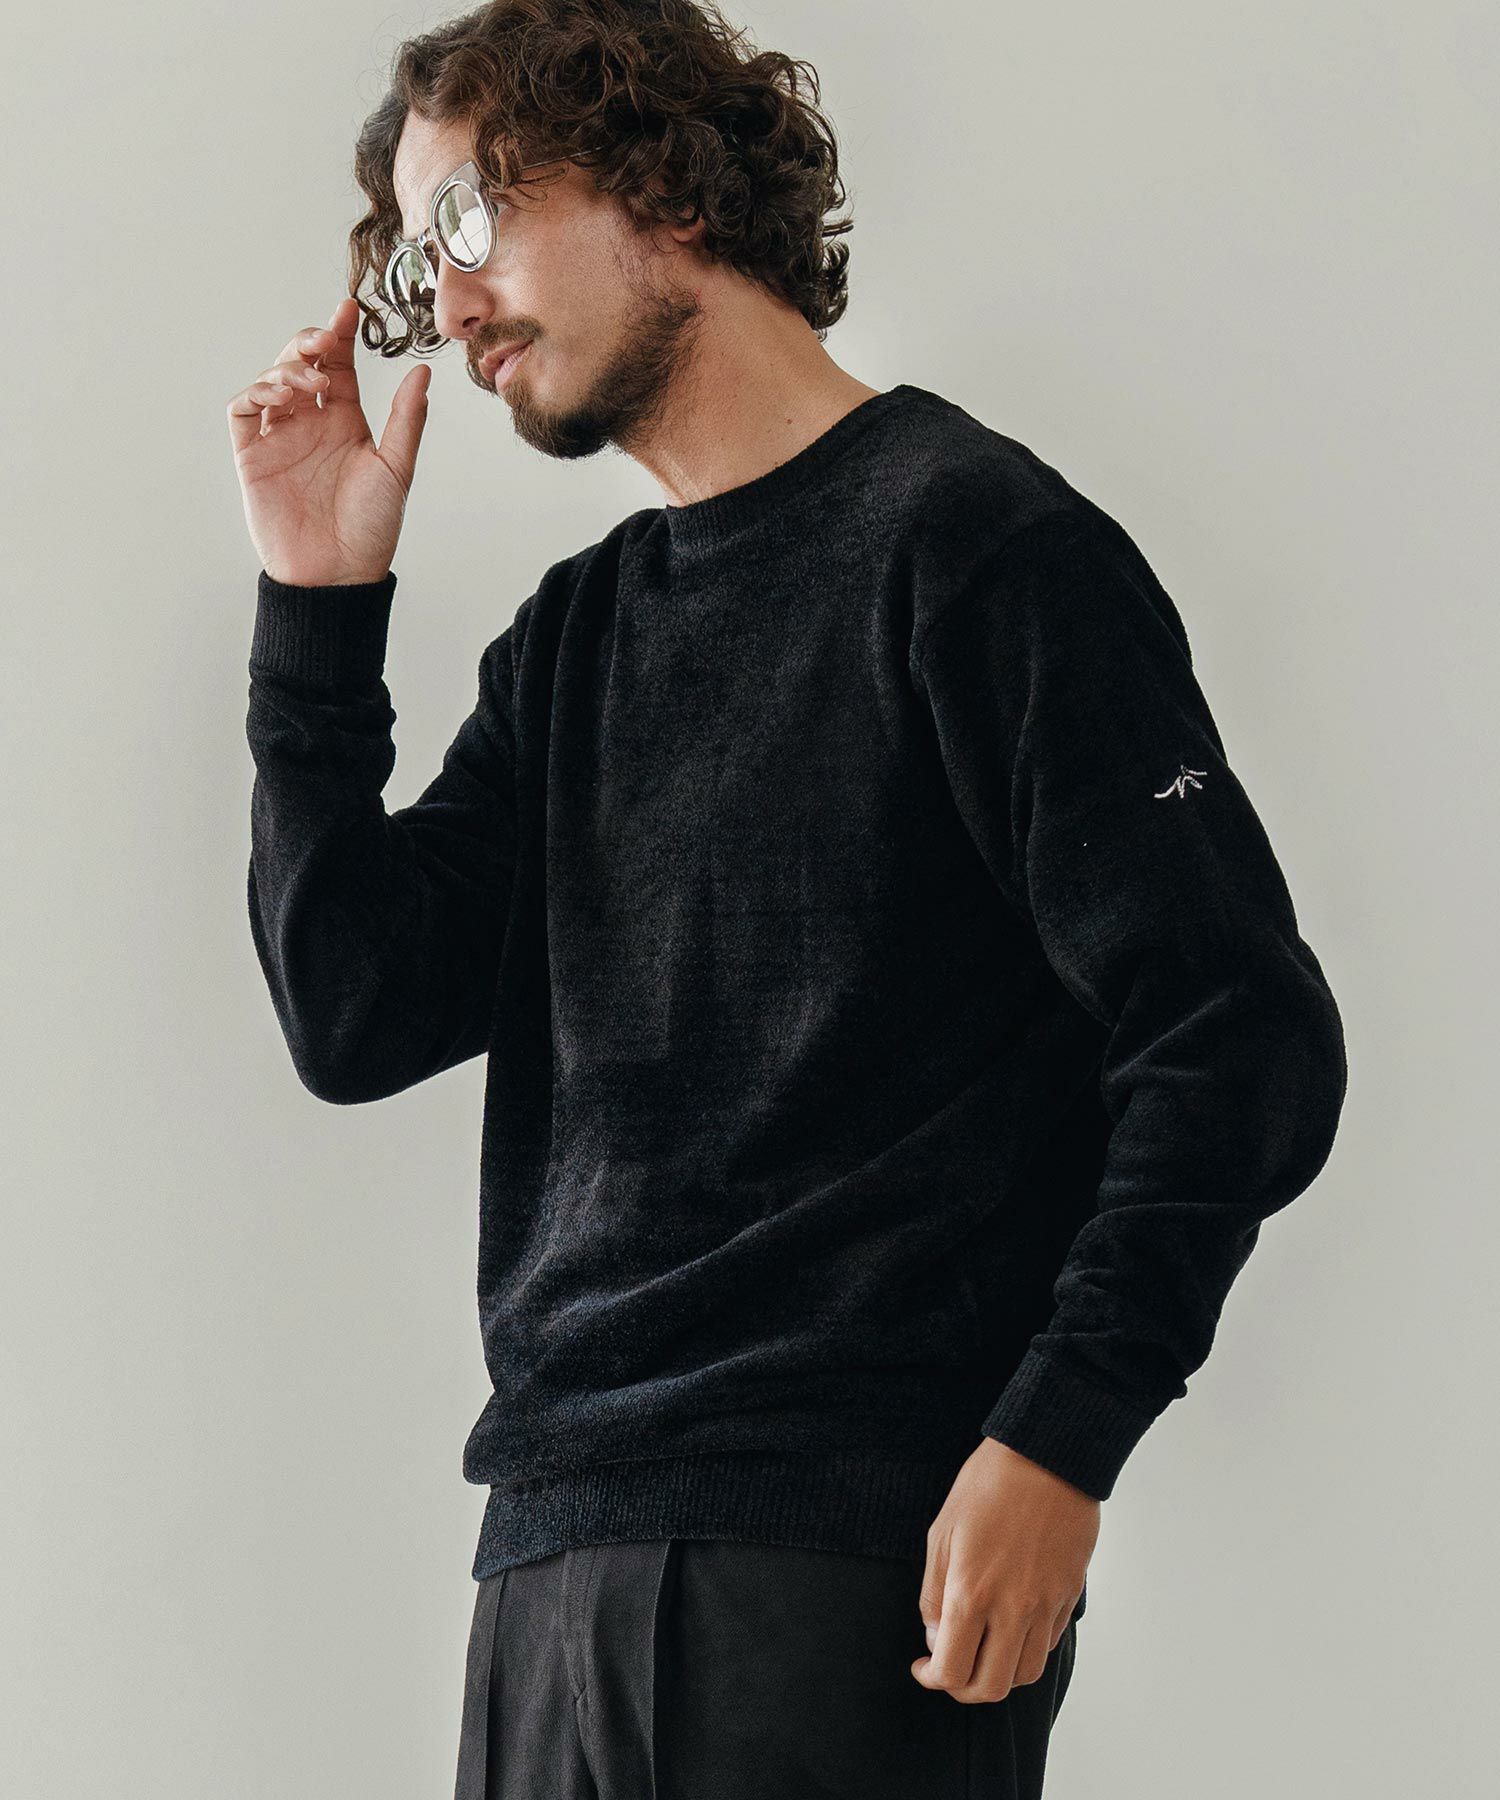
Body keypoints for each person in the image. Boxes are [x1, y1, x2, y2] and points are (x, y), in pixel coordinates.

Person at [225, 4, 1348, 1796]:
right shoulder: (575, 640)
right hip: (547, 1563)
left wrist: (1063, 1438)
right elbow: (355, 1014)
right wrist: (315, 609)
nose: (451, 302)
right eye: (415, 265)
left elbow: (1237, 1031)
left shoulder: (975, 547)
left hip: (837, 1569)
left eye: (472, 222)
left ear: (661, 180)